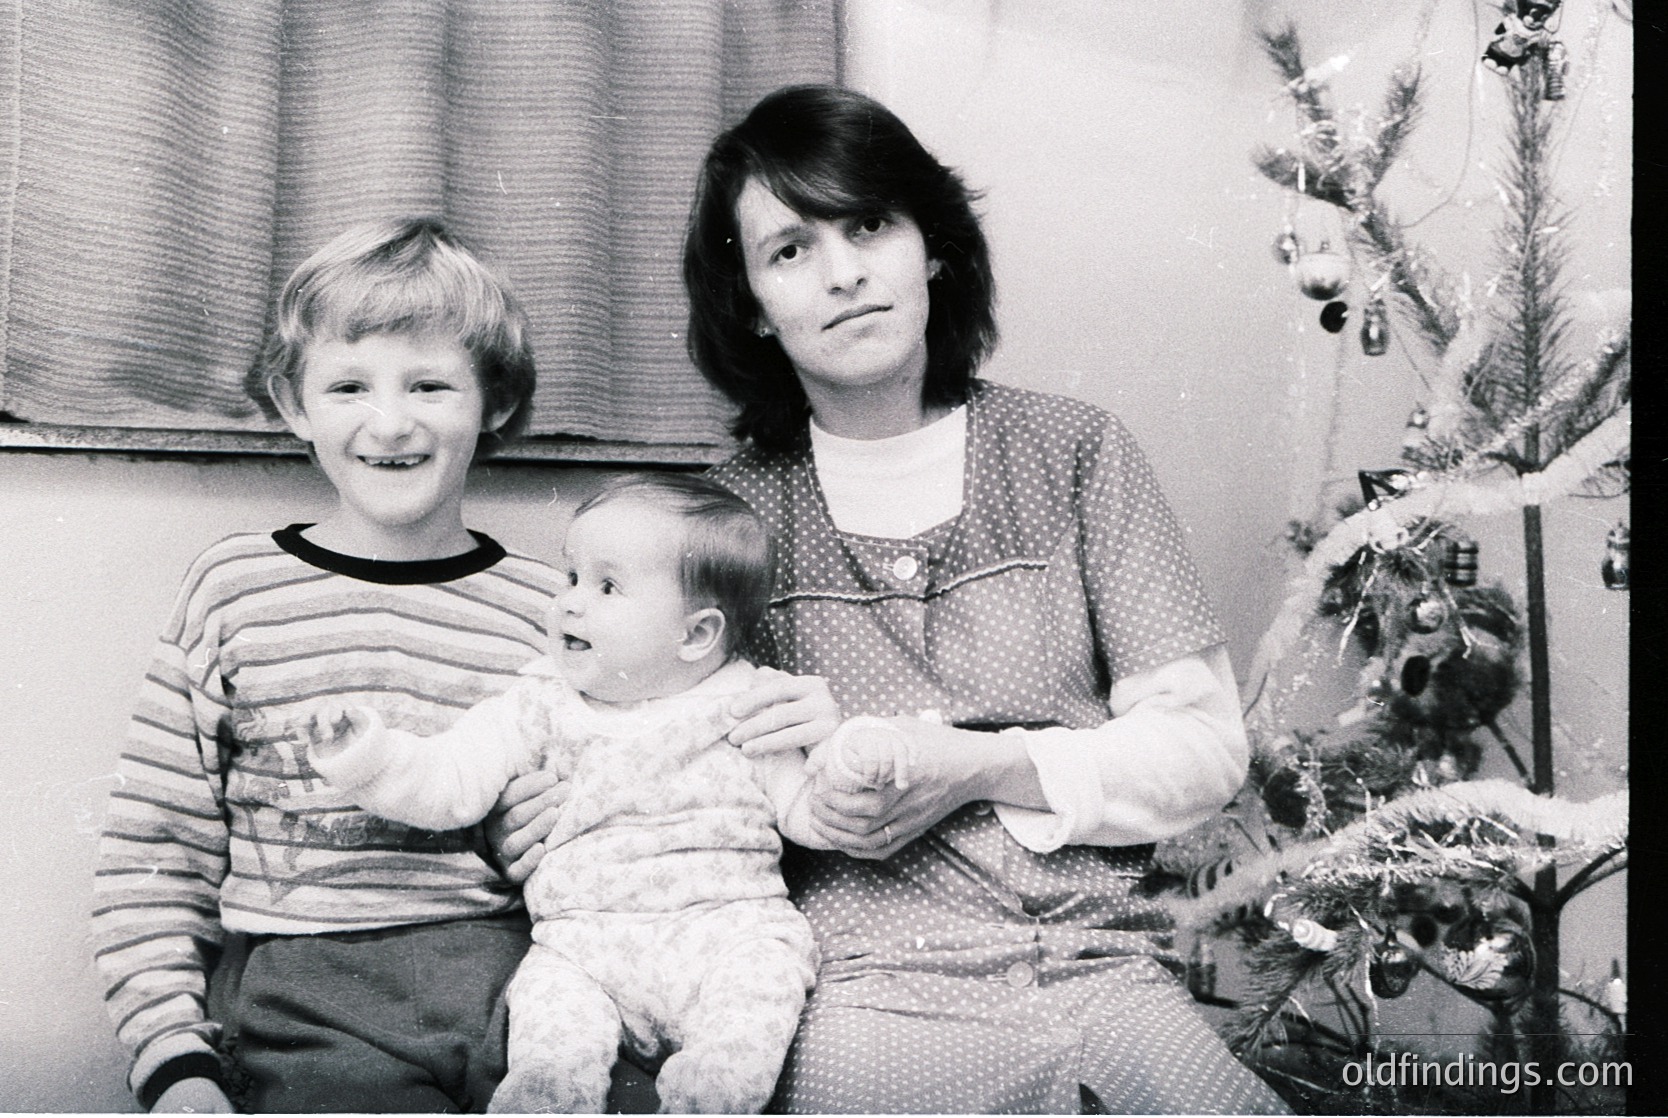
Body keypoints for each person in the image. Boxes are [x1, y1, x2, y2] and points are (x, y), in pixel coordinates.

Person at [90, 220, 835, 1113]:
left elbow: (645, 812)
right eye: (349, 385)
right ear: (295, 405)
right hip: (307, 990)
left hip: (517, 975)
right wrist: (173, 1060)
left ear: (494, 405)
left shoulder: (557, 616)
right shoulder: (233, 590)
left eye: (432, 384)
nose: (391, 420)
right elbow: (154, 853)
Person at [679, 83, 1290, 1113]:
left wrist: (988, 766)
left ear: (934, 246)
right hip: (863, 984)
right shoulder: (725, 518)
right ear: (751, 303)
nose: (843, 274)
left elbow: (1203, 754)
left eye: (869, 223)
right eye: (790, 249)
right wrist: (805, 790)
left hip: (1099, 964)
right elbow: (684, 795)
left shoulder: (1078, 453)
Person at [305, 473, 885, 1114]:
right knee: (550, 1035)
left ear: (695, 636)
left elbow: (807, 813)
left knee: (759, 994)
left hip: (727, 932)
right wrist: (368, 755)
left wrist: (846, 768)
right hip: (583, 947)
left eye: (606, 587)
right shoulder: (538, 703)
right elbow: (450, 783)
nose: (570, 604)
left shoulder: (748, 706)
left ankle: (711, 1099)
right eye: (571, 577)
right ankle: (548, 1098)